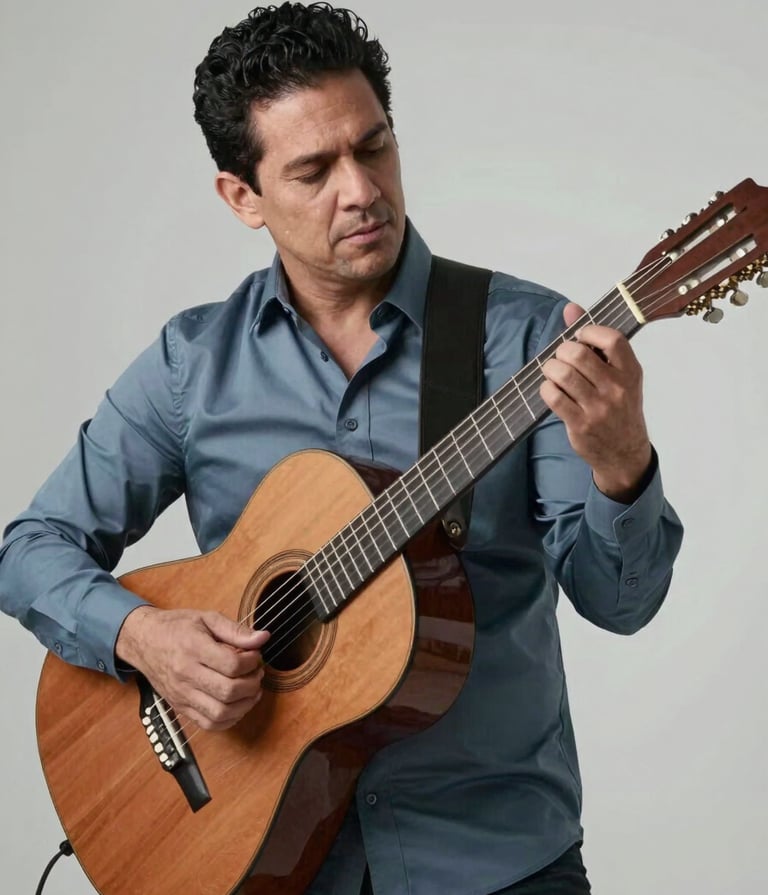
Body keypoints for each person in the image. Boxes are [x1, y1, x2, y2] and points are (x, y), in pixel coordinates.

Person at [0, 3, 683, 894]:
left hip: (492, 864)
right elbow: (30, 549)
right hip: (249, 858)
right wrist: (140, 635)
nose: (359, 190)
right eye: (314, 169)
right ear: (241, 196)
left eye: (374, 147)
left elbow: (620, 603)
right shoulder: (191, 363)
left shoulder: (527, 340)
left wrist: (621, 464)